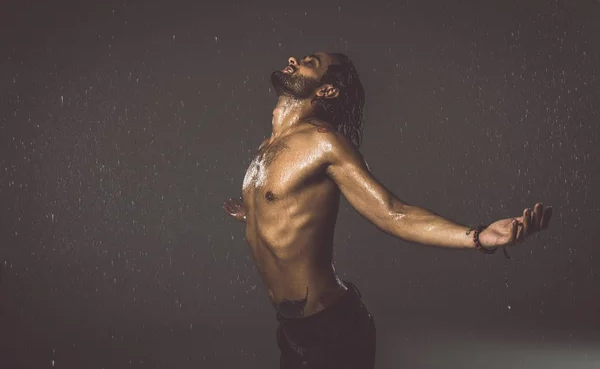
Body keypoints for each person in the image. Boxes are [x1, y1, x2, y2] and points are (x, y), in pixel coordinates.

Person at [222, 52, 553, 369]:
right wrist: (255, 212)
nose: (293, 60)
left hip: (332, 332)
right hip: (292, 331)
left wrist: (478, 236)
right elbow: (288, 209)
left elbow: (393, 212)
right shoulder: (266, 148)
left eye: (310, 63)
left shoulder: (324, 143)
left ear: (327, 90)